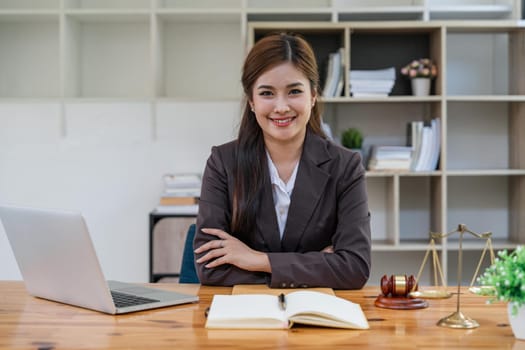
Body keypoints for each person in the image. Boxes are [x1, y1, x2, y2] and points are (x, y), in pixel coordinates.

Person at [193, 32, 371, 289]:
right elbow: (209, 269)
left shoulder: (345, 166)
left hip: (318, 315)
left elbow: (354, 268)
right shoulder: (223, 163)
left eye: (294, 91)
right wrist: (318, 266)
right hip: (245, 317)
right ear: (251, 101)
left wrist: (257, 260)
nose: (281, 107)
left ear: (313, 95)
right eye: (267, 93)